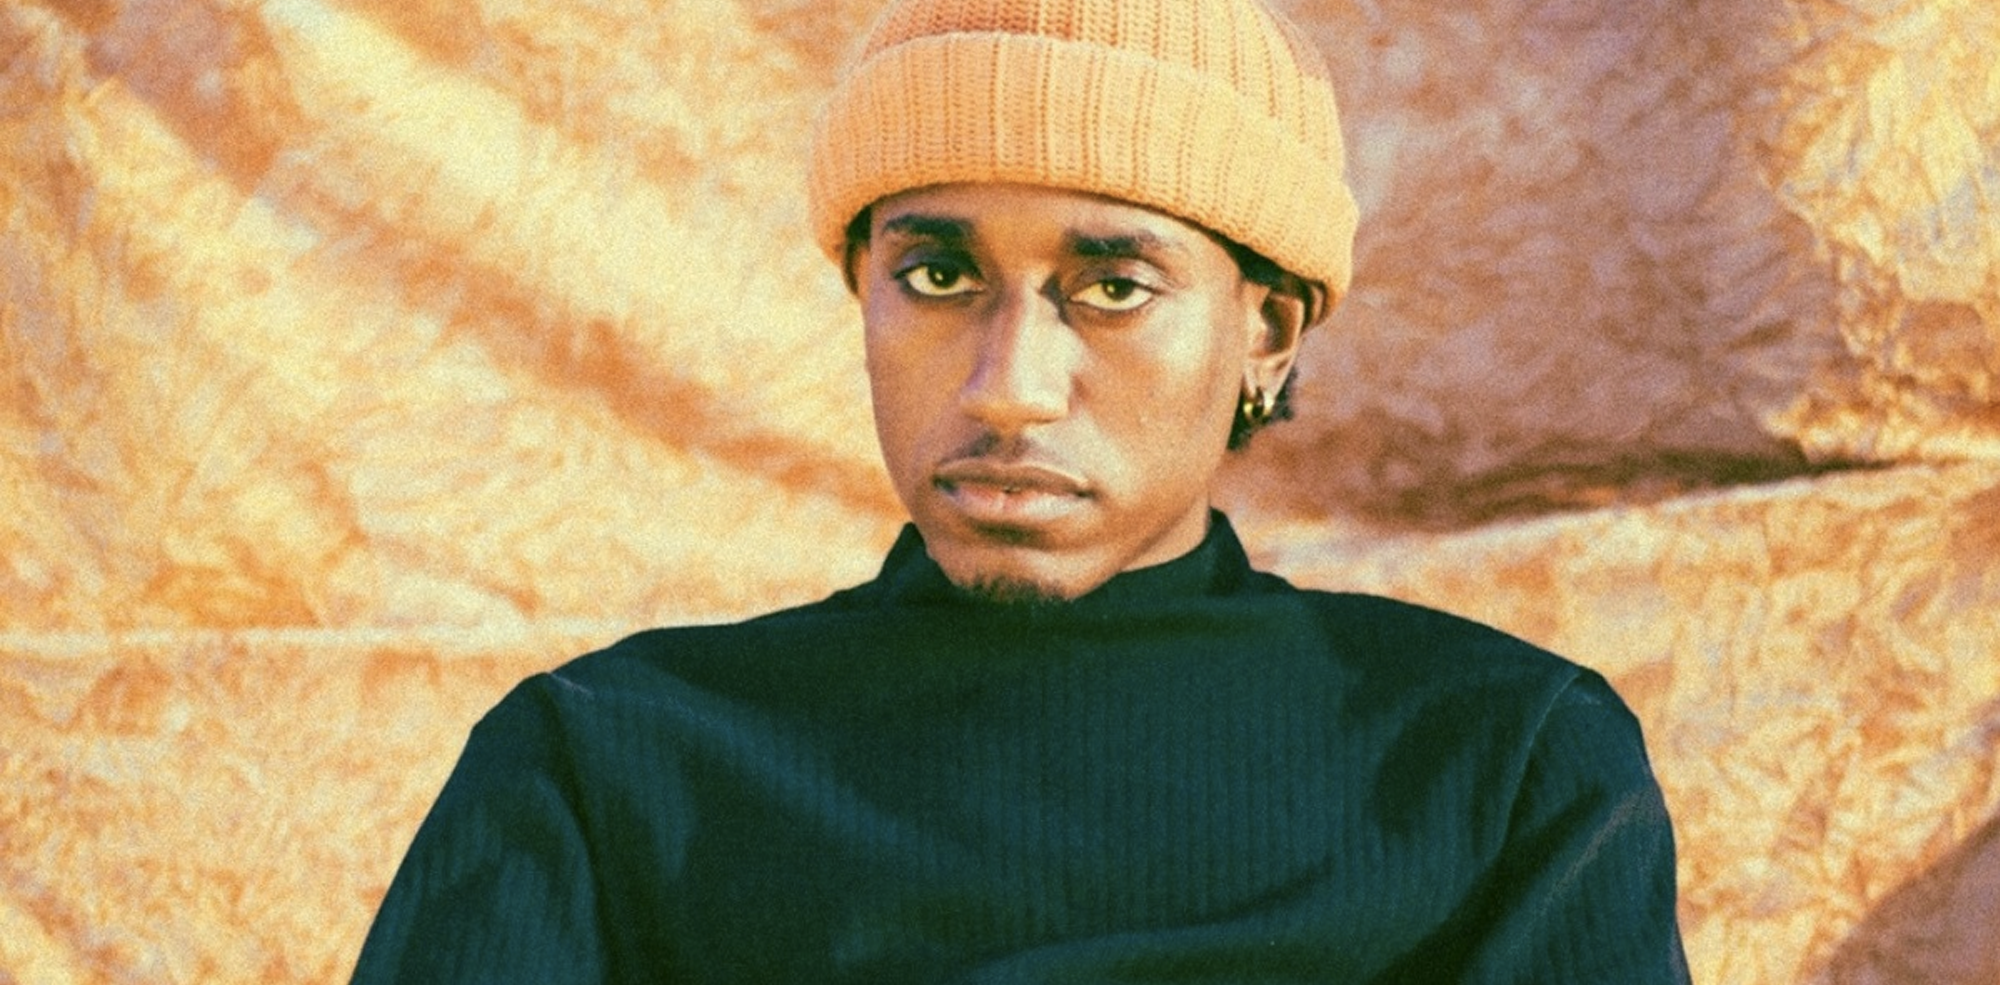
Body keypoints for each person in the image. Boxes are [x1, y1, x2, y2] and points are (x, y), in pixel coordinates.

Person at [349, 0, 1691, 981]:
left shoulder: (1494, 768)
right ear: (863, 292)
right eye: (938, 277)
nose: (1009, 389)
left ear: (1268, 332)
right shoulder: (607, 766)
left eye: (1112, 286)